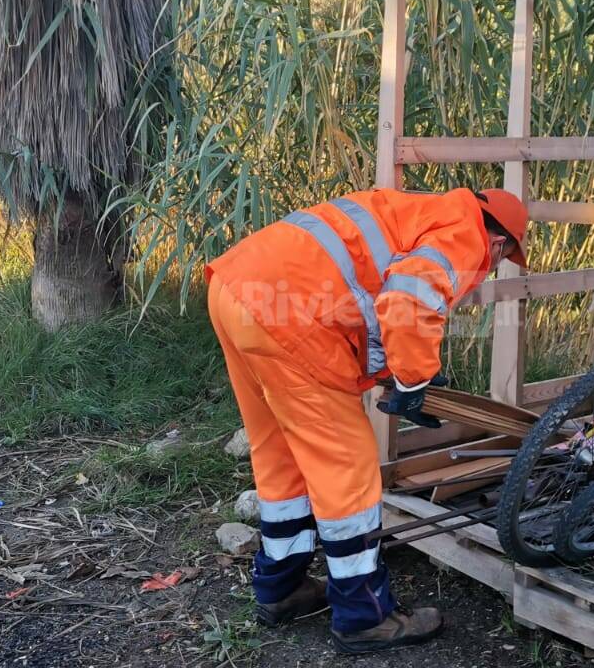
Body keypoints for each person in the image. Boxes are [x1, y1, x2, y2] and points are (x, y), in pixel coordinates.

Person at [205, 185, 528, 653]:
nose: (490, 268)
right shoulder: (468, 232)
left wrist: (394, 367)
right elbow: (409, 297)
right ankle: (364, 616)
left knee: (281, 457)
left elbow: (370, 290)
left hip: (235, 289)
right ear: (500, 242)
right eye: (501, 259)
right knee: (348, 472)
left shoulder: (416, 211)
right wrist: (414, 381)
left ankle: (282, 589)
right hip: (293, 317)